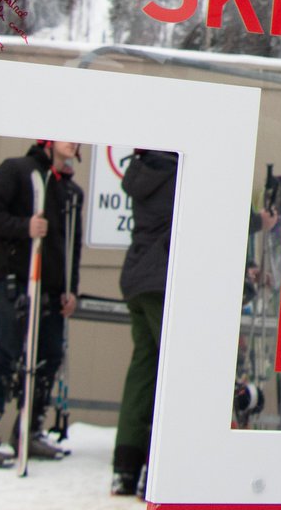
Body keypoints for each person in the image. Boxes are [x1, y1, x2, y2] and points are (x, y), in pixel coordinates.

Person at [0, 139, 83, 466]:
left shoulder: (71, 192)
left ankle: (29, 430)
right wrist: (24, 227)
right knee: (11, 349)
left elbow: (70, 248)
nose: (73, 141)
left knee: (49, 354)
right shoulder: (17, 171)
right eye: (65, 134)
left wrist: (70, 289)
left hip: (51, 289)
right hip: (14, 279)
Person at [111, 149, 177, 498]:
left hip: (136, 276)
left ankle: (125, 468)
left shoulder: (143, 173)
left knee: (144, 368)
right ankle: (156, 467)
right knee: (171, 372)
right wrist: (261, 221)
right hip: (161, 279)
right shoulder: (178, 175)